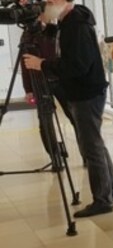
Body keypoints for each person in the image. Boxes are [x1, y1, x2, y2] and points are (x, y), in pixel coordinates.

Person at [23, 0, 113, 217]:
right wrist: (44, 27)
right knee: (94, 142)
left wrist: (42, 64)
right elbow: (60, 36)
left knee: (90, 147)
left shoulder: (76, 26)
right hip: (84, 90)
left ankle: (103, 200)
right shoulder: (69, 21)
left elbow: (76, 65)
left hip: (86, 92)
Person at [19, 12, 83, 171]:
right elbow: (24, 62)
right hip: (39, 81)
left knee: (76, 117)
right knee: (45, 121)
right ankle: (56, 158)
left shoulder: (56, 29)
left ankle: (87, 155)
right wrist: (28, 89)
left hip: (61, 79)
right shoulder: (28, 35)